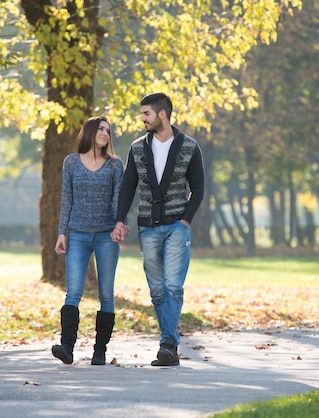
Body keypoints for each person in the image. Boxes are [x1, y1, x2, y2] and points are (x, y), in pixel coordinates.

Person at [111, 93, 205, 366]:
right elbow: (129, 186)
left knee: (173, 286)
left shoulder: (189, 146)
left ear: (162, 114)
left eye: (146, 114)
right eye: (142, 114)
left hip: (177, 226)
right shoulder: (138, 147)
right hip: (148, 227)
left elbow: (198, 188)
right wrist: (120, 219)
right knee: (157, 290)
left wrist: (185, 219)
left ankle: (168, 344)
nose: (142, 119)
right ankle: (170, 345)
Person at [52, 116, 125, 366]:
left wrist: (119, 224)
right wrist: (62, 232)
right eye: (101, 129)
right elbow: (66, 199)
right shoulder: (71, 162)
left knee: (106, 293)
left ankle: (100, 351)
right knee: (73, 291)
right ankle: (67, 347)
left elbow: (118, 200)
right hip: (78, 235)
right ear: (90, 132)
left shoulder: (115, 165)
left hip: (106, 236)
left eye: (108, 130)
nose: (105, 133)